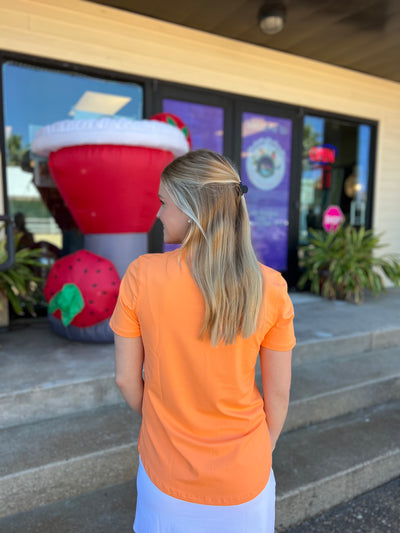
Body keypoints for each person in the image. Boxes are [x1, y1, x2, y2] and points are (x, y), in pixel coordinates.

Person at [109, 149, 295, 533]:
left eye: (164, 202)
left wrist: (162, 424)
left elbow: (126, 380)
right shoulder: (272, 287)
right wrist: (262, 449)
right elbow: (278, 395)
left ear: (193, 207)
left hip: (166, 474)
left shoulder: (142, 275)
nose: (158, 214)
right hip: (246, 477)